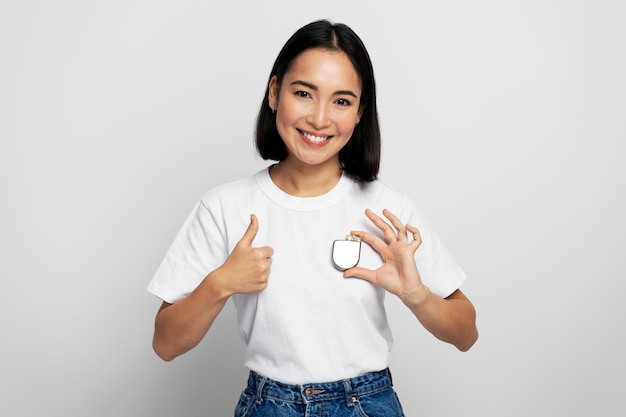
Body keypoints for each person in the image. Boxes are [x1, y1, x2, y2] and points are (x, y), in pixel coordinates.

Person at [148, 19, 478, 417]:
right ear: (274, 93)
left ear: (360, 113)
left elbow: (466, 334)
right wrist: (220, 283)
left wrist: (417, 296)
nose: (320, 119)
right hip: (268, 405)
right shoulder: (224, 207)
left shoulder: (388, 211)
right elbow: (165, 344)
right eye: (304, 93)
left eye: (341, 101)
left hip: (367, 404)